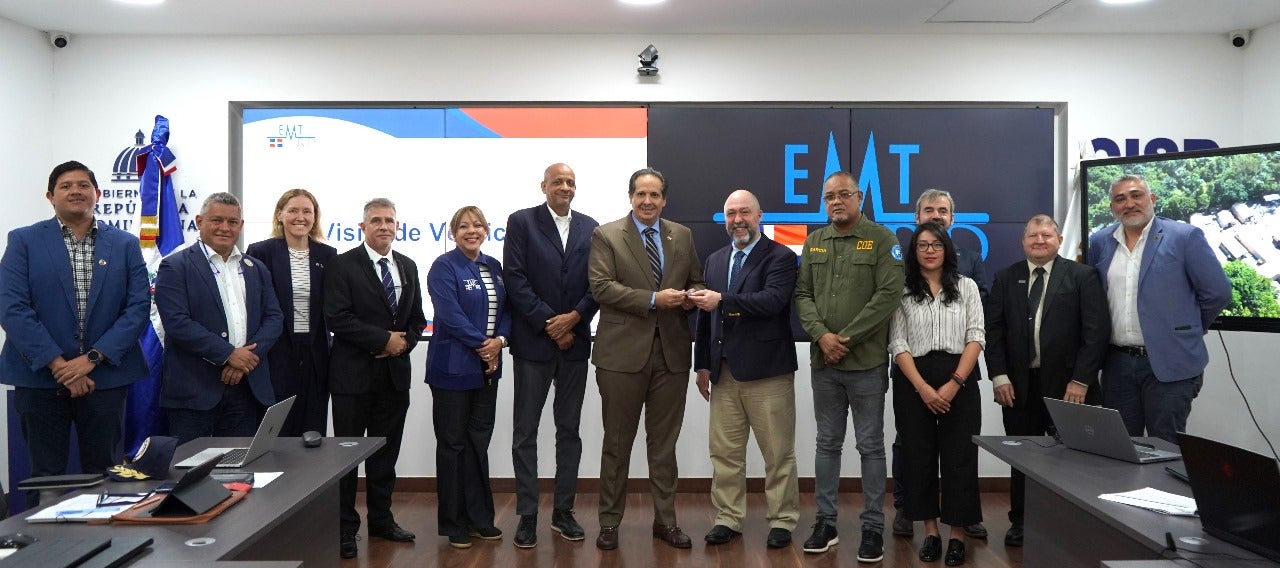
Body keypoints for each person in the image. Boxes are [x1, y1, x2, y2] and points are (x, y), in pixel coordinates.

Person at [0, 161, 150, 504]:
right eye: (66, 186)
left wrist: (91, 359)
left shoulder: (125, 244)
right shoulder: (23, 241)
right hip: (40, 378)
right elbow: (12, 308)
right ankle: (44, 536)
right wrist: (60, 365)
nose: (76, 191)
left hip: (105, 377)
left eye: (84, 185)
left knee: (105, 473)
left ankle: (103, 534)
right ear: (50, 196)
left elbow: (138, 307)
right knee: (45, 477)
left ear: (97, 194)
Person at [588, 167, 705, 551]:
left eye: (655, 195)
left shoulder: (682, 235)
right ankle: (609, 522)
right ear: (631, 197)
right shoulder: (607, 235)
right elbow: (602, 288)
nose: (648, 201)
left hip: (671, 355)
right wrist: (655, 299)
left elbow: (696, 279)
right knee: (616, 444)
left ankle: (666, 521)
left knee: (664, 446)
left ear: (664, 200)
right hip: (620, 356)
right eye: (641, 194)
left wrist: (692, 297)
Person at [794, 171, 904, 563]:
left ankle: (872, 527)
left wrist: (845, 339)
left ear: (859, 197)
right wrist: (822, 336)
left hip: (866, 364)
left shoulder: (883, 240)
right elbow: (802, 294)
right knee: (827, 443)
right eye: (829, 197)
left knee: (870, 445)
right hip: (824, 363)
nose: (836, 202)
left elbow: (888, 295)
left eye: (843, 195)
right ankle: (825, 523)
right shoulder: (814, 241)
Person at [985, 214, 1110, 546]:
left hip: (1071, 389)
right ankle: (1022, 521)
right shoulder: (1005, 277)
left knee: (1073, 458)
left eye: (1046, 235)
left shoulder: (1082, 276)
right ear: (1023, 241)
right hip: (1018, 388)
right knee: (1023, 457)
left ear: (1058, 240)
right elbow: (993, 333)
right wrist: (998, 376)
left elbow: (1096, 333)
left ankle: (1071, 522)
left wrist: (1081, 380)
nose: (1039, 241)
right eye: (1032, 235)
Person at [689, 189, 800, 549]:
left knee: (777, 453)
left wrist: (723, 300)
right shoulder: (715, 260)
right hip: (724, 374)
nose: (737, 220)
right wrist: (702, 365)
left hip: (768, 373)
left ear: (759, 216)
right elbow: (706, 320)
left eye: (744, 212)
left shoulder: (781, 256)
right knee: (724, 453)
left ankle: (782, 519)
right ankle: (728, 517)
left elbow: (772, 302)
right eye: (731, 213)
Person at [1087, 174, 1230, 444]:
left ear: (1152, 199)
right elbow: (1094, 298)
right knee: (1120, 446)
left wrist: (1185, 329)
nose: (1129, 203)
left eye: (1136, 195)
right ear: (1112, 207)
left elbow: (1217, 293)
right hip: (1117, 364)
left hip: (1170, 361)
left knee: (1166, 446)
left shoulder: (1184, 237)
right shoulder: (1100, 242)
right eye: (1120, 199)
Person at [502, 163, 599, 548]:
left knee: (569, 431)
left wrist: (573, 319)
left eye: (570, 182)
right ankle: (527, 515)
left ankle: (563, 512)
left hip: (575, 343)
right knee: (525, 432)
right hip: (533, 345)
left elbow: (598, 283)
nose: (565, 186)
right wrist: (550, 324)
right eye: (557, 181)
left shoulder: (591, 227)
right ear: (543, 186)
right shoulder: (521, 222)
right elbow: (515, 279)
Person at [325, 198, 426, 558]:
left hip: (394, 377)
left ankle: (382, 521)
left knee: (385, 456)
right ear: (363, 226)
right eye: (377, 220)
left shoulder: (408, 265)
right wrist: (383, 339)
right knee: (347, 458)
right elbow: (337, 317)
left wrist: (403, 343)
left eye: (390, 221)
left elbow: (417, 319)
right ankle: (345, 528)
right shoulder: (342, 265)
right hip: (352, 378)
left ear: (397, 226)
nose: (384, 226)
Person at [892, 188, 989, 540]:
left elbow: (976, 335)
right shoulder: (900, 286)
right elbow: (897, 342)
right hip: (913, 378)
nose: (930, 250)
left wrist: (954, 382)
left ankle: (958, 531)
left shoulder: (967, 284)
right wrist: (922, 388)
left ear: (948, 248)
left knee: (959, 455)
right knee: (917, 454)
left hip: (958, 375)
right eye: (923, 245)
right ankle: (928, 530)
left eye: (936, 245)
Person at [155, 192, 282, 444]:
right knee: (189, 464)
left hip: (246, 387)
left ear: (240, 226)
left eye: (232, 222)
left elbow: (274, 318)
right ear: (199, 221)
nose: (225, 227)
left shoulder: (256, 268)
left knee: (238, 465)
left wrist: (244, 360)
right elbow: (177, 323)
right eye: (216, 220)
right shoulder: (175, 266)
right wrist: (229, 354)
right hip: (194, 391)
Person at [426, 206, 510, 549]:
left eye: (477, 225)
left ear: (486, 230)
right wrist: (484, 346)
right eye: (463, 226)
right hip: (452, 369)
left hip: (487, 370)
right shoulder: (443, 267)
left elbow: (508, 311)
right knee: (453, 445)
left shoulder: (495, 267)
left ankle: (480, 519)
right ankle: (454, 522)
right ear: (453, 233)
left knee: (478, 444)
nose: (471, 231)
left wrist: (500, 341)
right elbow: (450, 315)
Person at [245, 189, 338, 437]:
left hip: (315, 356)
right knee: (276, 432)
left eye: (307, 211)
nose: (301, 217)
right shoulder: (260, 252)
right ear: (280, 214)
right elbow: (253, 306)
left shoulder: (328, 255)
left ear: (315, 217)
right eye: (293, 210)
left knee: (312, 432)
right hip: (275, 354)